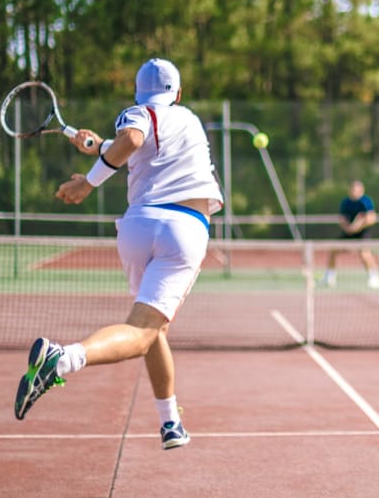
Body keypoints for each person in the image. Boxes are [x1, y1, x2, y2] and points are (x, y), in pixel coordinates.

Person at [13, 58, 223, 449]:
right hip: (183, 229)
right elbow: (134, 141)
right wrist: (89, 182)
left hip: (138, 227)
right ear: (178, 93)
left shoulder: (139, 113)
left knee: (152, 328)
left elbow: (132, 143)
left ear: (138, 93)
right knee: (142, 332)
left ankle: (170, 422)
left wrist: (97, 149)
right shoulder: (189, 120)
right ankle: (62, 359)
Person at [320, 180, 379, 289]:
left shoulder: (366, 201)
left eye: (357, 190)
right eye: (352, 190)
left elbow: (371, 218)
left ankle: (374, 277)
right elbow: (342, 218)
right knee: (334, 249)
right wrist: (348, 228)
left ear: (362, 190)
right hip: (349, 232)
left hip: (363, 232)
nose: (354, 192)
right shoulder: (345, 202)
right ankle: (329, 277)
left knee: (364, 253)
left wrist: (358, 226)